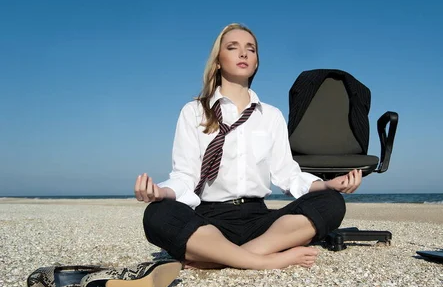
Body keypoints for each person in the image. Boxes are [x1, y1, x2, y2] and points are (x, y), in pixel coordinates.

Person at [136, 23, 362, 270]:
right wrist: (161, 193)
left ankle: (222, 258)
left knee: (331, 202)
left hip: (260, 221)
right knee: (156, 214)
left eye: (250, 49)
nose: (243, 54)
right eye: (233, 47)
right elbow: (185, 177)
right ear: (218, 61)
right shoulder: (193, 112)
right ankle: (262, 260)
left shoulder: (271, 116)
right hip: (210, 220)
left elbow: (288, 175)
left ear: (255, 63)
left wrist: (328, 184)